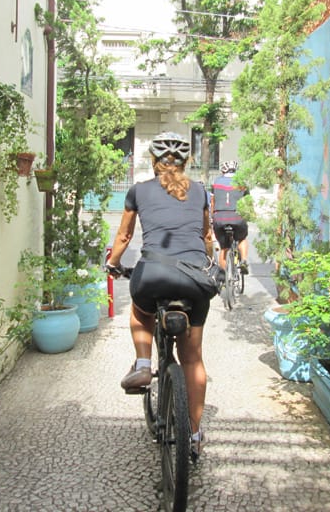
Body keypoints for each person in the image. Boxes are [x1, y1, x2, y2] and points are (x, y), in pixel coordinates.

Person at [106, 131, 215, 457]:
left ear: (153, 161)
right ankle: (194, 435)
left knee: (141, 310)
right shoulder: (201, 191)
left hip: (152, 275)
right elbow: (206, 236)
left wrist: (113, 264)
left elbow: (123, 237)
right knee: (192, 357)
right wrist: (207, 261)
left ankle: (143, 363)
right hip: (195, 280)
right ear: (187, 161)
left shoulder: (138, 191)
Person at [211, 160, 249, 274]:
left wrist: (212, 217)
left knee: (224, 248)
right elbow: (248, 203)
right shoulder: (242, 183)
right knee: (242, 238)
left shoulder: (216, 182)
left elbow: (213, 202)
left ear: (223, 171)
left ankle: (223, 276)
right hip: (237, 217)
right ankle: (244, 261)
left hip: (219, 218)